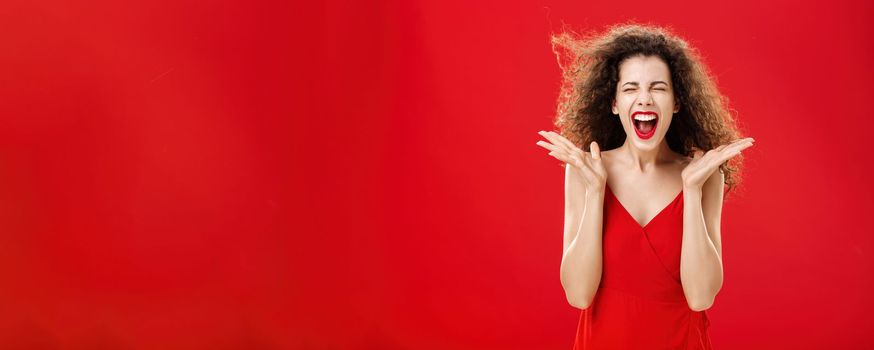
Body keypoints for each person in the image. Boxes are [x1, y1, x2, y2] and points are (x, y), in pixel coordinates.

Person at [535, 23, 754, 349]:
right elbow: (579, 294)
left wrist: (692, 192)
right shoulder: (585, 171)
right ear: (613, 103)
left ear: (677, 102)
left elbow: (701, 296)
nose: (645, 98)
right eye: (630, 88)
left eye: (658, 88)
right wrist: (596, 192)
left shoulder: (704, 176)